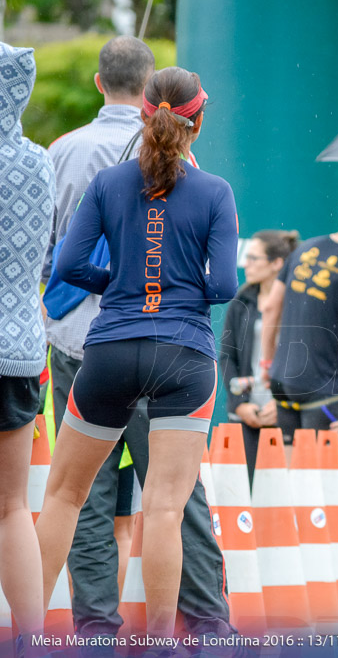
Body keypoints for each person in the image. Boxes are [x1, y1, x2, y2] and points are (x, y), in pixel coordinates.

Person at [36, 67, 238, 638]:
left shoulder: (107, 183)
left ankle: (27, 634)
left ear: (143, 115)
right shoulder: (215, 191)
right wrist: (171, 293)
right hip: (184, 357)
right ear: (196, 123)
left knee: (66, 497)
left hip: (110, 351)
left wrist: (122, 283)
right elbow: (223, 286)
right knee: (166, 509)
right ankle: (159, 643)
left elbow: (69, 267)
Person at [0, 42, 54, 654]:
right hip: (19, 346)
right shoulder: (37, 163)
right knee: (12, 506)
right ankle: (30, 639)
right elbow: (45, 257)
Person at [260, 188, 338, 443]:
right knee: (323, 481)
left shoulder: (305, 247)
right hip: (324, 389)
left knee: (290, 476)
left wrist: (267, 364)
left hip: (282, 380)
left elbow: (271, 308)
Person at [221, 229, 300, 487]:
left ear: (277, 263)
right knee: (243, 493)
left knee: (279, 495)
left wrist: (283, 405)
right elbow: (227, 357)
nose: (246, 264)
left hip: (286, 414)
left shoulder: (298, 304)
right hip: (247, 413)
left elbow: (303, 360)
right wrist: (239, 404)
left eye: (254, 258)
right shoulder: (241, 301)